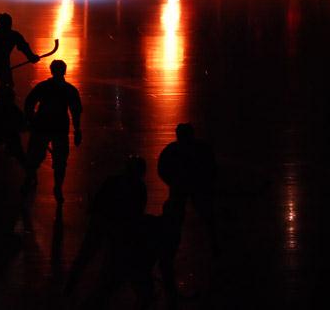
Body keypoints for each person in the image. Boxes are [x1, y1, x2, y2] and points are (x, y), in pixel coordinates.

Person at [64, 156, 149, 299]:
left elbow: (98, 201)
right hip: (116, 226)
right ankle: (100, 290)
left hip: (102, 222)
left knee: (86, 255)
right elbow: (137, 212)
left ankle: (71, 286)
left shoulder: (114, 181)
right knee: (108, 258)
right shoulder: (139, 187)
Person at [24, 59, 83, 200]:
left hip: (42, 125)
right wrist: (77, 130)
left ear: (51, 71)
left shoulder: (43, 87)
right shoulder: (69, 90)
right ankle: (58, 186)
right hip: (59, 127)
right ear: (65, 71)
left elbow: (29, 102)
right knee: (60, 160)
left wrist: (30, 120)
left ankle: (29, 179)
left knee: (35, 155)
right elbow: (75, 111)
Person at [158, 122, 218, 250]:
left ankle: (170, 246)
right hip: (198, 187)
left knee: (176, 217)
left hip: (181, 187)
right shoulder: (202, 149)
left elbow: (162, 169)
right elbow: (212, 167)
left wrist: (173, 182)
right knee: (207, 215)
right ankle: (215, 244)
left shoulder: (172, 150)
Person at [0, 13, 40, 89]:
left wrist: (31, 57)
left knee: (6, 86)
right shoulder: (12, 35)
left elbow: (24, 47)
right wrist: (31, 57)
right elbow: (24, 47)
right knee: (5, 86)